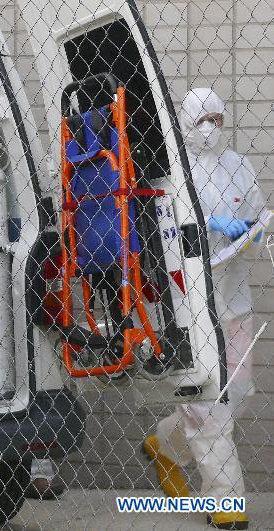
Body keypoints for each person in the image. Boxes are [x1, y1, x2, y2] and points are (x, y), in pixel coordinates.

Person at [143, 88, 262, 531]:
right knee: (211, 412)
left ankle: (163, 444)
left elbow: (258, 217)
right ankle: (228, 506)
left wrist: (253, 230)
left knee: (237, 398)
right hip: (192, 308)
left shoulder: (238, 166)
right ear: (185, 123)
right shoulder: (169, 172)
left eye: (216, 118)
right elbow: (165, 229)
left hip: (235, 302)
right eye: (200, 120)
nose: (209, 127)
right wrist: (208, 222)